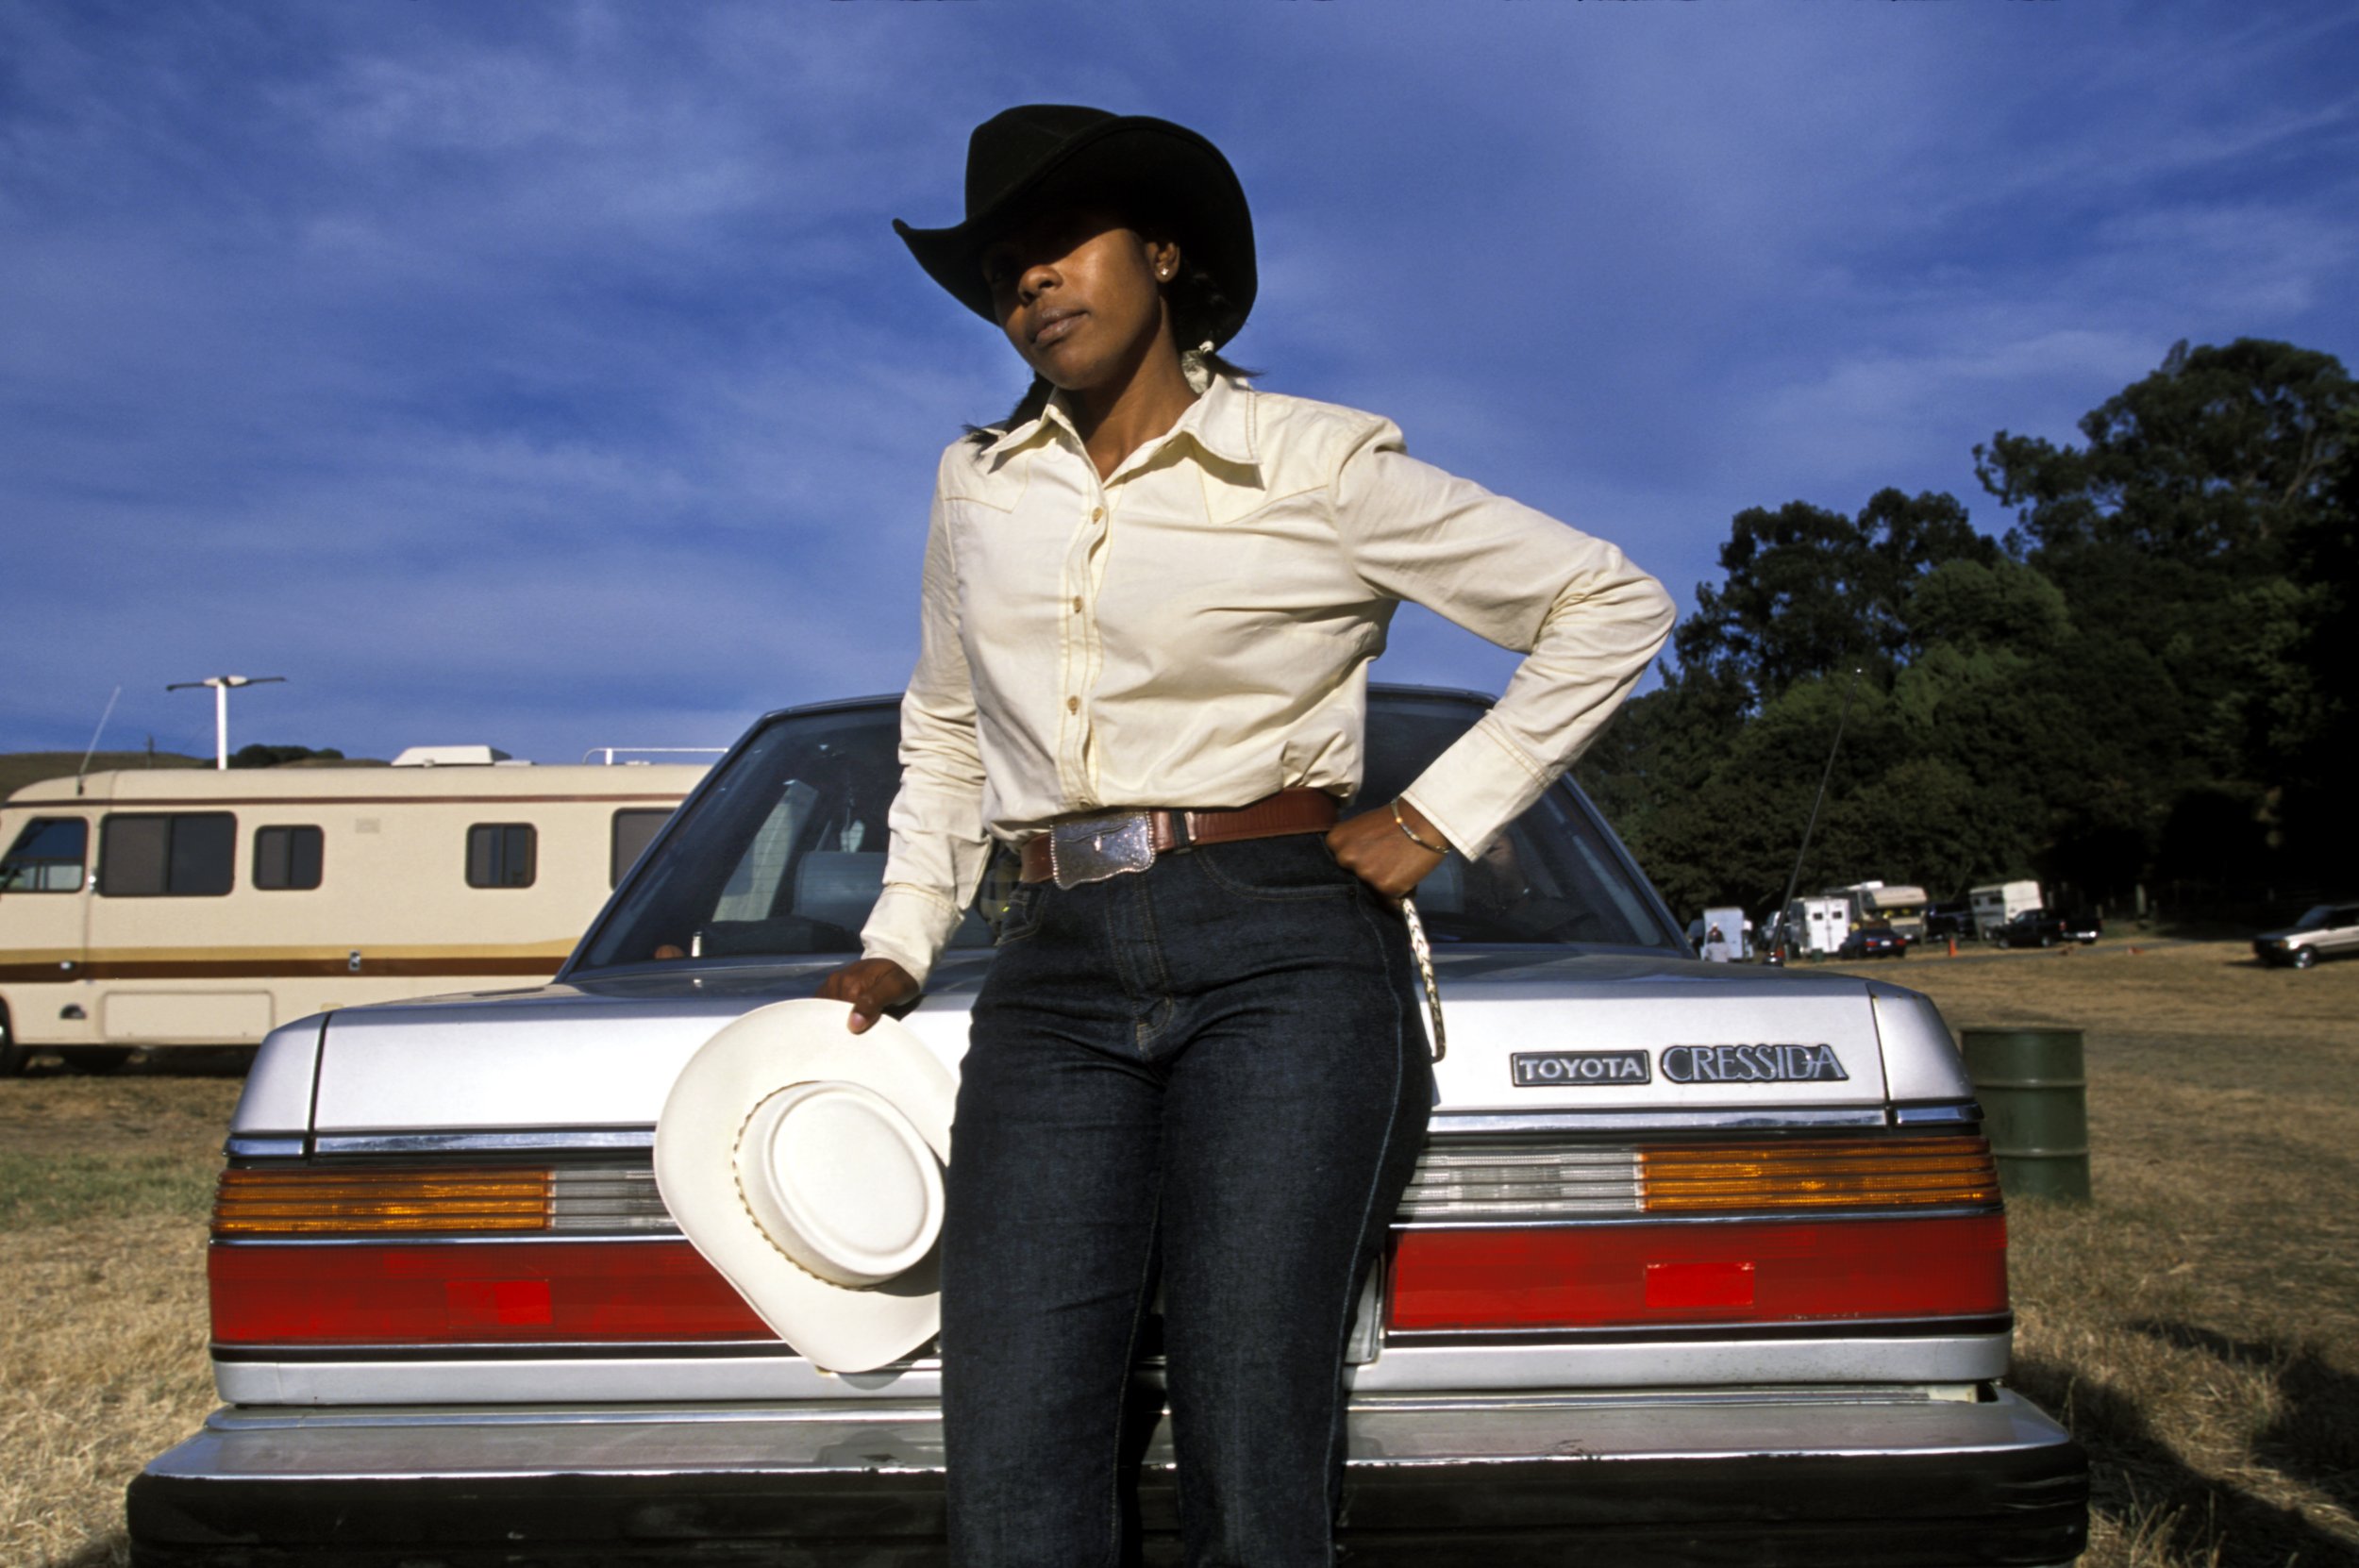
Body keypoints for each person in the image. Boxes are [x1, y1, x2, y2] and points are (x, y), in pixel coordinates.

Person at [819, 105, 1674, 1567]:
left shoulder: (1315, 464)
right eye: (1005, 262)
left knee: (1249, 1424)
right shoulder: (978, 485)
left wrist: (1432, 814)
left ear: (1163, 253)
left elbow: (1609, 603)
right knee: (1012, 1436)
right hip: (1054, 963)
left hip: (1282, 945)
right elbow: (948, 724)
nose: (1032, 279)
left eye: (1064, 241)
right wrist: (901, 938)